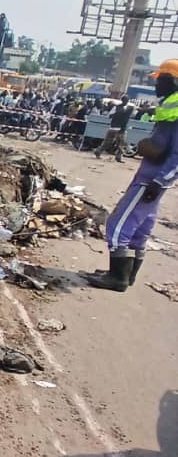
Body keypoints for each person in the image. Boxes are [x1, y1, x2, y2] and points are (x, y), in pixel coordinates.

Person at [87, 60, 178, 291]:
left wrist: (160, 181)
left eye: (161, 80)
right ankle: (127, 275)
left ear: (174, 82)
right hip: (151, 177)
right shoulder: (170, 107)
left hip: (152, 180)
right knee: (140, 229)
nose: (157, 85)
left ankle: (117, 278)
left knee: (118, 224)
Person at [95, 94, 134, 162]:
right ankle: (118, 157)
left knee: (108, 142)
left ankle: (98, 151)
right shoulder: (129, 109)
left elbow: (110, 115)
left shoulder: (116, 107)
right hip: (121, 128)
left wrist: (116, 115)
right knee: (120, 144)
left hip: (113, 127)